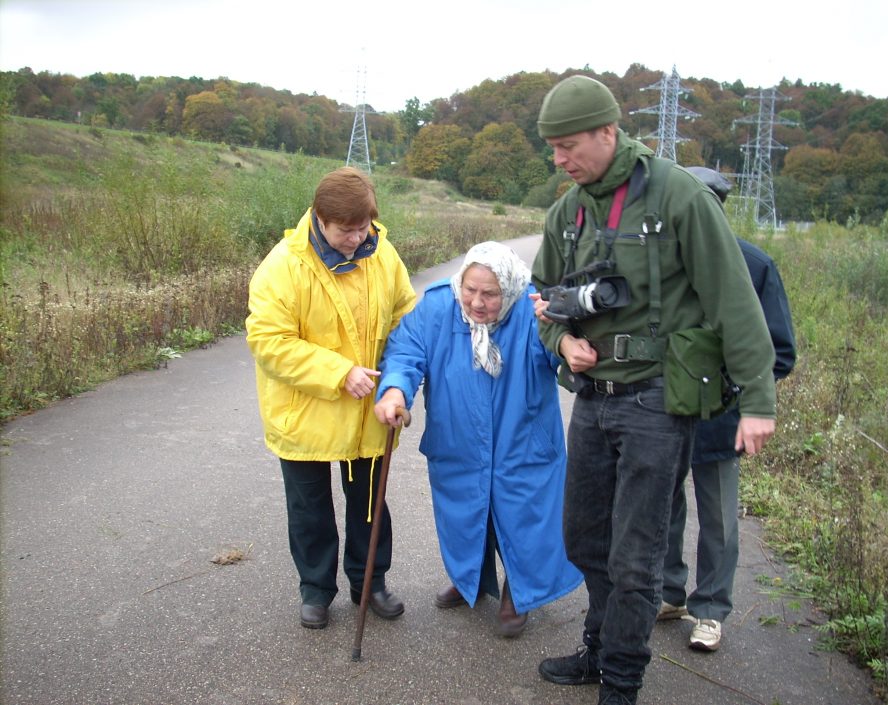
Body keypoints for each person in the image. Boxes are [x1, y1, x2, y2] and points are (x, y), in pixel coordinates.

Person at [530, 75, 777, 705]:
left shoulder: (678, 196)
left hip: (659, 402)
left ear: (608, 131)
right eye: (552, 148)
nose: (559, 160)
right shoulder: (570, 210)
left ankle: (622, 677)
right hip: (593, 398)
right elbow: (541, 302)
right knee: (584, 537)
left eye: (568, 146)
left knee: (636, 552)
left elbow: (733, 298)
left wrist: (756, 400)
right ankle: (598, 645)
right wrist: (562, 343)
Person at [373, 241, 583, 638]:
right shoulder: (439, 307)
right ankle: (469, 578)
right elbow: (405, 352)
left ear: (510, 289)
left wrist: (571, 348)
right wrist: (395, 390)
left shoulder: (532, 309)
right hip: (459, 439)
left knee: (524, 519)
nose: (476, 302)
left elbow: (562, 351)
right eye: (470, 289)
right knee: (466, 513)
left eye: (489, 293)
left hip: (523, 440)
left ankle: (518, 592)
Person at [245, 166, 416, 631]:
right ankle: (316, 590)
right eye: (346, 230)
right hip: (304, 413)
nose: (357, 239)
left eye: (364, 228)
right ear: (320, 218)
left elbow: (407, 318)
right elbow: (269, 342)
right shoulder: (282, 265)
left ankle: (370, 583)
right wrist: (338, 373)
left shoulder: (382, 253)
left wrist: (400, 380)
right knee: (309, 507)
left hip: (369, 412)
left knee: (369, 504)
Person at [658, 166, 796, 651]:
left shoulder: (754, 265)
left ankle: (711, 610)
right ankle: (668, 592)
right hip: (663, 414)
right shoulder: (662, 264)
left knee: (717, 519)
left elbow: (778, 353)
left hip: (720, 419)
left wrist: (729, 392)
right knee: (664, 506)